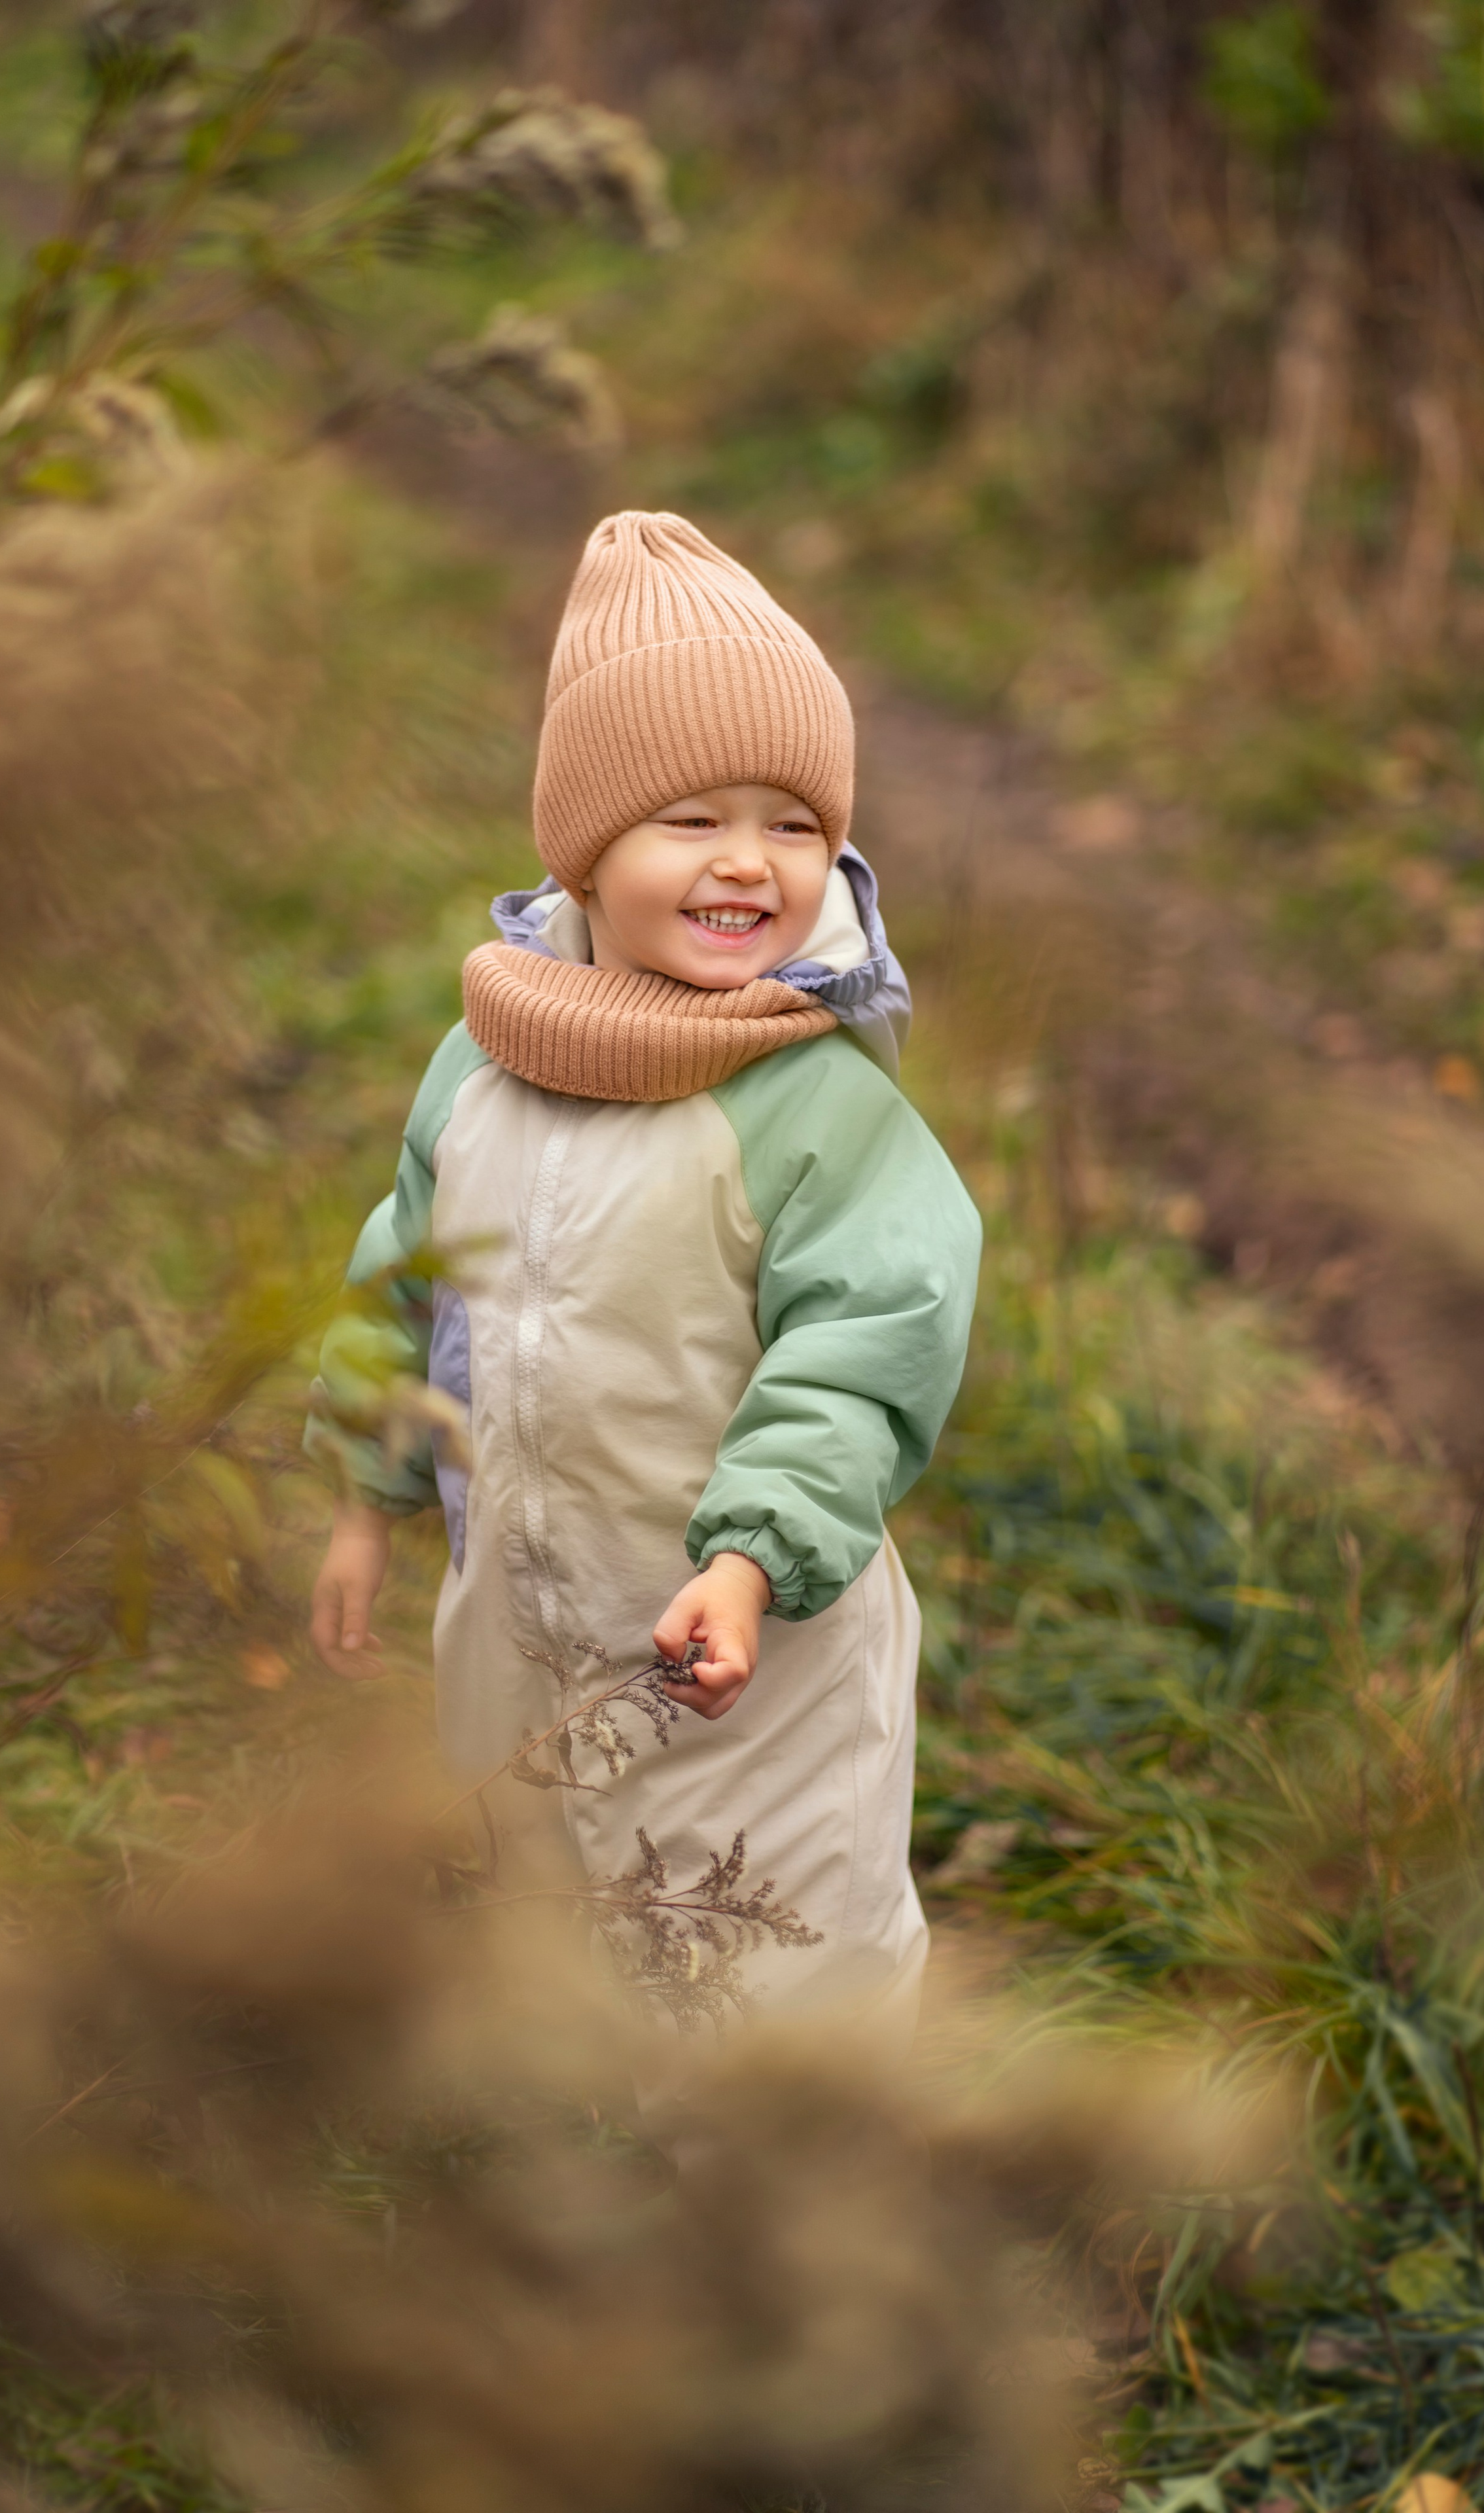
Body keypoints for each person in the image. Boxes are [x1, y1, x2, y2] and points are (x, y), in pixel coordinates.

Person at [305, 509, 981, 2039]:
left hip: (754, 1655)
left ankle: (812, 2180)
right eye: (690, 818)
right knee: (559, 1947)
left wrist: (750, 1562)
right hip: (523, 1633)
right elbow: (403, 1278)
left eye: (794, 825)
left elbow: (862, 1351)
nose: (748, 861)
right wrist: (361, 1495)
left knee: (780, 1980)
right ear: (584, 848)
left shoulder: (816, 1107)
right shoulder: (486, 1061)